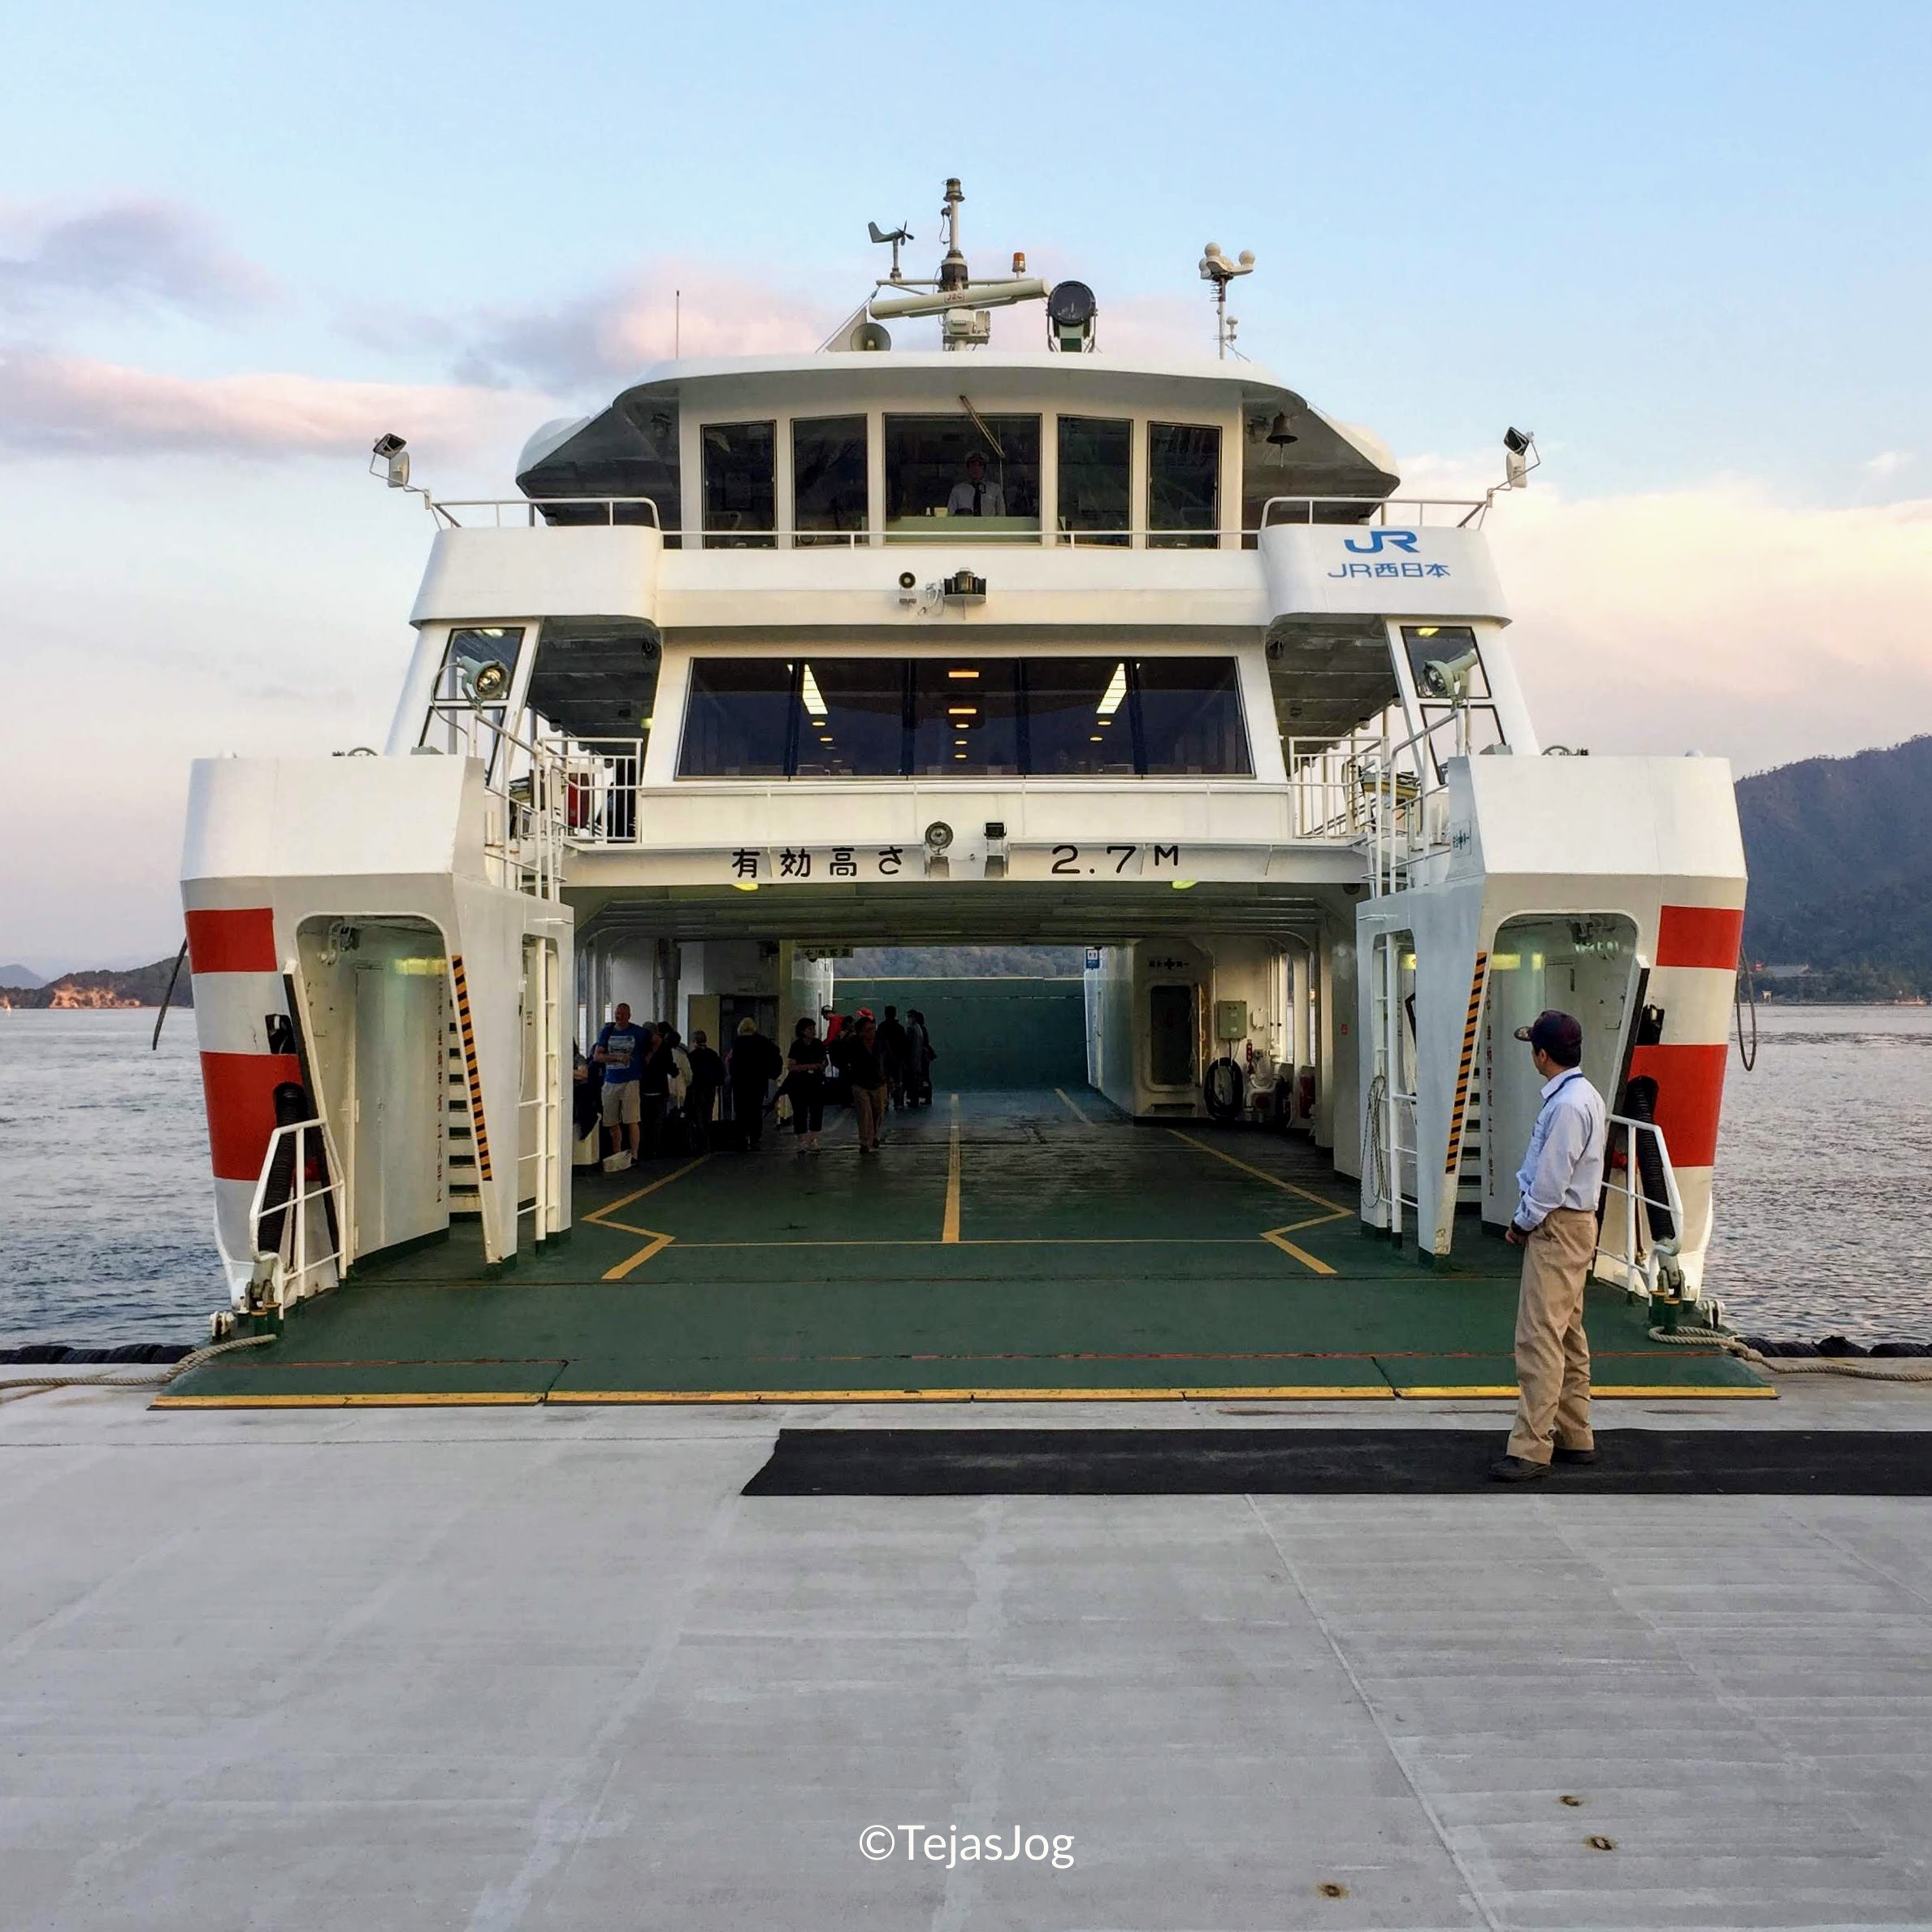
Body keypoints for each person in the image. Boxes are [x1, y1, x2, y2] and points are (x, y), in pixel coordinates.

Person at [1492, 1009, 1608, 1484]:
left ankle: (1531, 1448)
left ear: (1543, 1054)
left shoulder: (1564, 1106)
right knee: (1569, 1333)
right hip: (1580, 1226)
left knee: (1539, 1337)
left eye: (1532, 1049)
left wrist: (1522, 1224)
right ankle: (1575, 1433)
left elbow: (1549, 1183)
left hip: (1557, 1228)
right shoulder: (1587, 1096)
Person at [592, 1003, 647, 1163]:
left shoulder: (638, 1032)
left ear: (629, 1016)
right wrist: (616, 1058)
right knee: (611, 1121)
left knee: (632, 1119)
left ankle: (635, 1155)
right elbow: (597, 1056)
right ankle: (617, 1153)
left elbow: (655, 1040)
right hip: (611, 1080)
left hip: (630, 1080)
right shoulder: (607, 1032)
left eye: (622, 1014)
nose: (619, 1017)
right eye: (617, 1014)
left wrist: (647, 1056)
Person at [728, 1016, 782, 1150]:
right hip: (758, 1080)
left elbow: (732, 1062)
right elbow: (776, 1052)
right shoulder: (762, 1041)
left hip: (740, 1081)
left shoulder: (737, 1042)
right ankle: (755, 1138)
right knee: (755, 1109)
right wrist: (770, 1072)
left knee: (741, 1110)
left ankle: (741, 1138)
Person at [846, 1013, 890, 1154]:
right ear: (861, 1033)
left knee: (878, 1111)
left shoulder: (880, 1042)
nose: (872, 1032)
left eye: (873, 1028)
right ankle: (865, 1142)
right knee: (864, 1112)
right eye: (868, 1030)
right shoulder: (853, 1043)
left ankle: (875, 1135)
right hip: (860, 1082)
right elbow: (842, 1058)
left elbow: (890, 1059)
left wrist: (892, 1077)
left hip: (878, 1081)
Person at [786, 1016, 829, 1154]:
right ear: (802, 1031)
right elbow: (791, 1066)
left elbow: (824, 1060)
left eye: (813, 1028)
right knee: (800, 1111)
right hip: (799, 1083)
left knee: (817, 1110)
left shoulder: (818, 1044)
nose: (813, 1031)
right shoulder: (797, 1045)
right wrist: (810, 1066)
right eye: (810, 1028)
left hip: (815, 1082)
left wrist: (822, 1065)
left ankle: (813, 1140)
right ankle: (802, 1140)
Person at [635, 1022, 671, 1159]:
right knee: (647, 1121)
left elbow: (665, 1065)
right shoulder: (645, 1048)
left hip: (656, 1090)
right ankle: (648, 1148)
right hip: (649, 1089)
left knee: (654, 1122)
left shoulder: (663, 1048)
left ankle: (654, 1148)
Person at [685, 1029, 724, 1150]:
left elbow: (689, 1074)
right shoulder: (713, 1054)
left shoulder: (692, 1056)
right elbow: (720, 1071)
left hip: (697, 1088)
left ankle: (699, 1141)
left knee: (697, 1114)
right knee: (708, 1113)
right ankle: (708, 1141)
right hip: (711, 1087)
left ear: (694, 1042)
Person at [947, 450, 1006, 517]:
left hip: (990, 526)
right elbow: (950, 515)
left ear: (984, 468)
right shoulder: (958, 490)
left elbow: (1002, 515)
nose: (976, 468)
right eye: (972, 465)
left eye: (980, 465)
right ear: (968, 468)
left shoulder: (995, 489)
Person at [904, 1008, 935, 1107]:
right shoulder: (920, 1029)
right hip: (919, 1059)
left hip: (915, 1059)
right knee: (921, 1079)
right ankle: (923, 1097)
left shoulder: (912, 1029)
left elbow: (908, 1045)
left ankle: (914, 1099)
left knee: (914, 1080)